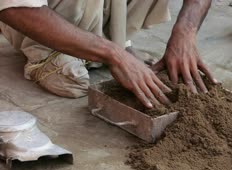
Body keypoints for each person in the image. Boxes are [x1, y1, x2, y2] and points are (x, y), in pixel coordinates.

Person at [0, 0, 217, 108]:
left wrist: (186, 31)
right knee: (73, 83)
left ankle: (114, 33)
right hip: (40, 11)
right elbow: (14, 8)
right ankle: (46, 52)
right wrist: (113, 53)